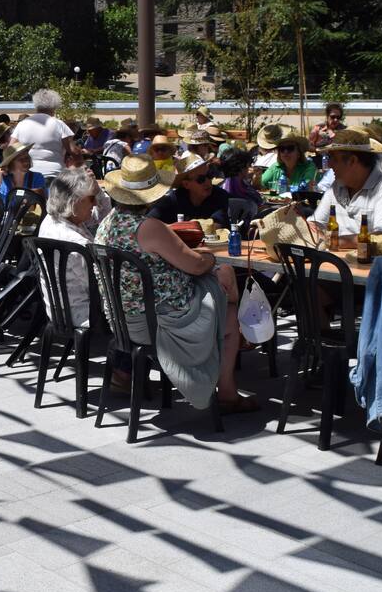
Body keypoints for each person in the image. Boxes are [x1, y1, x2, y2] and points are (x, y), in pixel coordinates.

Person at [95, 155, 254, 412]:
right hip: (156, 322)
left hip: (121, 319)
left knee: (221, 286)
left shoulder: (107, 222)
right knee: (231, 312)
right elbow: (195, 265)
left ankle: (220, 378)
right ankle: (226, 392)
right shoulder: (148, 228)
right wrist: (209, 256)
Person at [311, 129, 382, 248]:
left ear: (352, 160)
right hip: (345, 264)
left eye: (333, 157)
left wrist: (333, 240)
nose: (329, 164)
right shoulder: (336, 187)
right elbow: (315, 224)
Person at [38, 169, 102, 328]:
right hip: (82, 311)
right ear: (74, 201)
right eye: (92, 198)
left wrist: (97, 191)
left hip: (56, 305)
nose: (95, 203)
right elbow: (98, 285)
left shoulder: (51, 219)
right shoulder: (76, 243)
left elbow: (99, 217)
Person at [148, 157, 240, 228]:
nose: (207, 182)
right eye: (201, 179)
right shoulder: (172, 200)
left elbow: (217, 225)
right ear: (186, 184)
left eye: (209, 175)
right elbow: (148, 222)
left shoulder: (219, 195)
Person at [10, 89, 74, 181]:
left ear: (36, 106)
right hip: (54, 174)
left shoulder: (22, 124)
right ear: (54, 107)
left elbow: (11, 148)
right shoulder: (59, 124)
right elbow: (73, 151)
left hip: (29, 175)